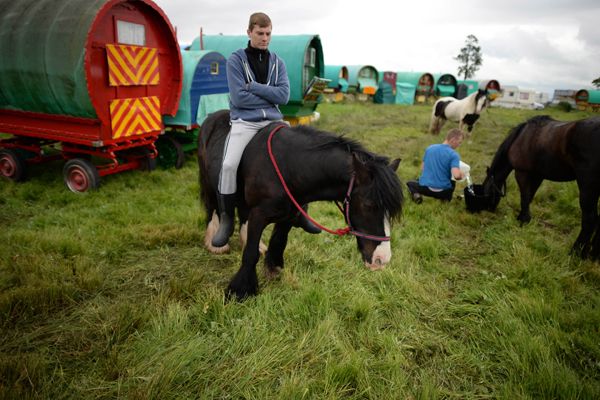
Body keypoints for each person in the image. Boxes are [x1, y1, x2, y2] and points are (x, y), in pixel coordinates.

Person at [212, 12, 319, 248]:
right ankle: (227, 219)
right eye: (260, 33)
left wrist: (254, 87)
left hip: (274, 121)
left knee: (298, 158)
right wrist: (267, 97)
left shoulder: (278, 62)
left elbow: (284, 95)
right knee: (228, 165)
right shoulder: (235, 61)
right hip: (245, 122)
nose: (264, 38)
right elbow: (239, 99)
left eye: (268, 33)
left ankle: (301, 212)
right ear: (249, 32)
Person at [406, 128, 466, 203]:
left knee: (410, 183)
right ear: (453, 140)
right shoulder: (454, 155)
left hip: (425, 189)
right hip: (443, 192)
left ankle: (416, 195)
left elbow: (422, 168)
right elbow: (456, 176)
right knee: (452, 181)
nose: (459, 145)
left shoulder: (430, 148)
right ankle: (446, 199)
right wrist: (462, 174)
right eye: (459, 142)